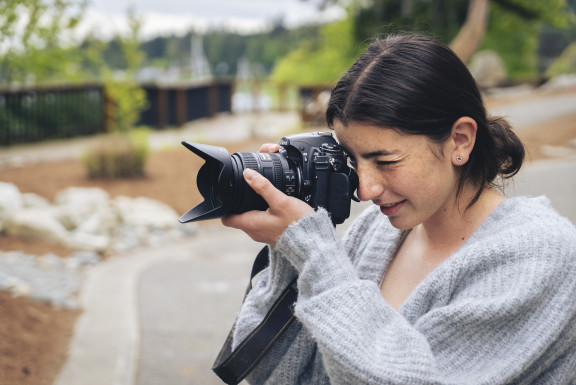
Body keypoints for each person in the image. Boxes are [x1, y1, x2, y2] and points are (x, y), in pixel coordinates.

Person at [221, 34, 576, 384]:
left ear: (461, 140)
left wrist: (316, 253)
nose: (365, 187)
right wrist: (290, 245)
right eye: (352, 160)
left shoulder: (541, 256)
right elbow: (278, 375)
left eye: (386, 160)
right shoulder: (376, 230)